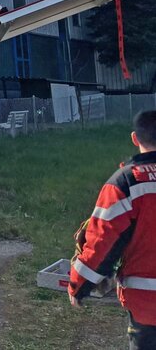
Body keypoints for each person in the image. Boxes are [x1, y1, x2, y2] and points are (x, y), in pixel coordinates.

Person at [70, 110, 156, 349]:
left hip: (147, 306)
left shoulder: (126, 182)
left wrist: (79, 285)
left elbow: (102, 242)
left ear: (135, 138)